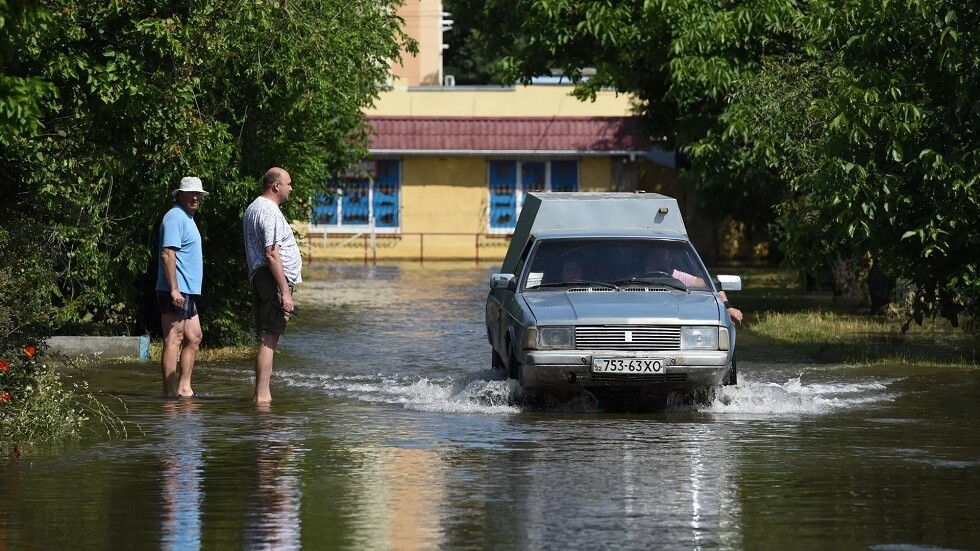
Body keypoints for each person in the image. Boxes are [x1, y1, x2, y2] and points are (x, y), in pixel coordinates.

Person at [243, 167, 302, 403]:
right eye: (288, 183)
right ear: (276, 186)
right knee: (269, 338)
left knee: (268, 336)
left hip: (260, 277)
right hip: (270, 278)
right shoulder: (268, 210)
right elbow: (271, 254)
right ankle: (262, 397)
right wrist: (285, 292)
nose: (291, 188)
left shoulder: (253, 207)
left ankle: (261, 394)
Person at [156, 176, 208, 398]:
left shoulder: (188, 218)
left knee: (194, 336)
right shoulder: (175, 217)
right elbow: (168, 254)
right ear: (180, 195)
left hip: (188, 290)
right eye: (190, 194)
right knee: (174, 338)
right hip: (175, 289)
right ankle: (169, 394)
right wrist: (174, 289)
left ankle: (184, 388)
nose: (195, 197)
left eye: (198, 194)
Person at [642, 247, 744, 324]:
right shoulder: (632, 278)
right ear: (650, 259)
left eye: (666, 256)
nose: (665, 259)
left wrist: (728, 307)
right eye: (658, 256)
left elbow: (713, 285)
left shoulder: (678, 276)